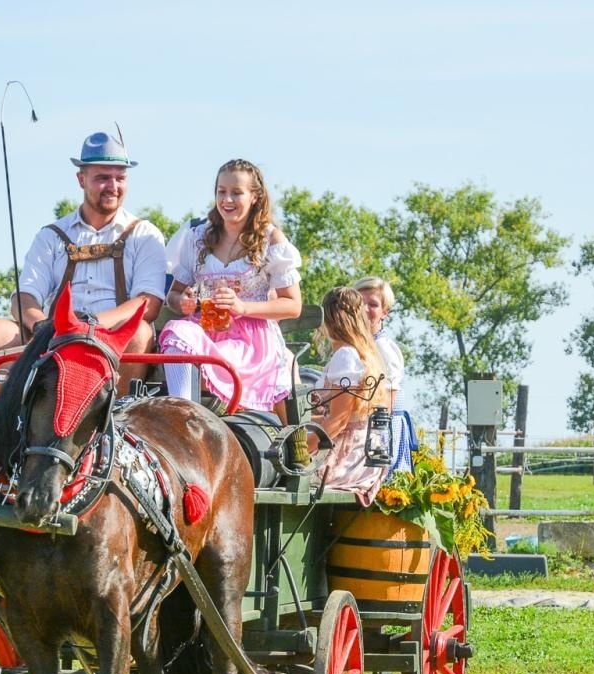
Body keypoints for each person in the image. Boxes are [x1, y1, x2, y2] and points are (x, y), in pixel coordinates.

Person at [0, 130, 166, 394]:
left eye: (120, 178)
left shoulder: (144, 234)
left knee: (140, 333)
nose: (113, 186)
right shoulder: (51, 235)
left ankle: (117, 416)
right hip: (54, 338)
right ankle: (16, 417)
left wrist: (91, 325)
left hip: (113, 339)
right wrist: (43, 326)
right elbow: (24, 297)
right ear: (81, 179)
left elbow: (148, 304)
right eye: (102, 178)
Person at [158, 160, 302, 413]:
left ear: (255, 197)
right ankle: (182, 413)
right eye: (221, 192)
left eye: (236, 192)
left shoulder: (271, 239)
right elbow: (174, 295)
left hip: (251, 341)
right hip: (204, 331)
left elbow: (293, 305)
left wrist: (242, 306)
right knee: (176, 329)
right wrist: (183, 302)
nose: (227, 199)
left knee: (214, 355)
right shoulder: (198, 238)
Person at [313, 287, 390, 503]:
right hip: (356, 455)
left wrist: (301, 450)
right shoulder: (355, 354)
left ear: (328, 320)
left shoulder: (345, 356)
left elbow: (338, 421)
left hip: (344, 458)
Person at [354, 275, 416, 472]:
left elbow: (384, 409)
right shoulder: (358, 345)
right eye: (360, 303)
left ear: (384, 313)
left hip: (379, 438)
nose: (365, 309)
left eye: (372, 304)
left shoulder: (383, 349)